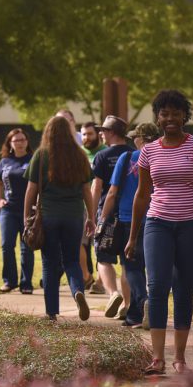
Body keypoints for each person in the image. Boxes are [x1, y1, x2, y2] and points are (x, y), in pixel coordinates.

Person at [126, 90, 193, 375]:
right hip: (158, 224)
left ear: (184, 116)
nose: (170, 119)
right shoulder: (148, 152)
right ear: (158, 117)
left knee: (183, 288)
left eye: (176, 113)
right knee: (157, 287)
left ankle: (179, 358)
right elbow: (142, 196)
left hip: (192, 224)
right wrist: (132, 236)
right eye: (164, 113)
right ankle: (157, 358)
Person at [24, 115, 95, 321]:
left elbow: (31, 190)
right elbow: (86, 191)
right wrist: (90, 217)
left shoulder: (41, 155)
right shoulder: (80, 156)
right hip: (74, 216)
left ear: (48, 132)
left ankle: (51, 312)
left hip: (48, 216)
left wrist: (26, 215)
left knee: (49, 263)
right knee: (72, 260)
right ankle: (77, 292)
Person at [100, 122, 160, 328]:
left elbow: (112, 192)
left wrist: (102, 219)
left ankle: (144, 301)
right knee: (151, 267)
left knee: (132, 266)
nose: (133, 140)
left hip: (128, 219)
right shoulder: (162, 157)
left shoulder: (128, 158)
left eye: (136, 137)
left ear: (141, 139)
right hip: (157, 219)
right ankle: (135, 314)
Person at [92, 115, 133, 319]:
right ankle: (127, 304)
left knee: (103, 257)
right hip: (130, 215)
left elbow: (98, 186)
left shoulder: (102, 156)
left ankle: (113, 293)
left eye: (103, 131)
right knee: (127, 262)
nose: (101, 134)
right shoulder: (135, 154)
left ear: (111, 133)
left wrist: (94, 217)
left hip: (108, 214)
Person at [0, 128, 35, 294]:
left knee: (27, 247)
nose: (20, 143)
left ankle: (26, 284)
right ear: (10, 143)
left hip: (28, 211)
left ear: (27, 142)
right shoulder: (4, 162)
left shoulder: (33, 160)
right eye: (16, 140)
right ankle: (9, 281)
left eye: (23, 139)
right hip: (8, 211)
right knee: (7, 245)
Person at [79, 121, 106, 292]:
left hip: (102, 204)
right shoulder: (78, 154)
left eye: (89, 134)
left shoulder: (104, 153)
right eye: (83, 134)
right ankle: (86, 276)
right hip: (80, 205)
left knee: (100, 244)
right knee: (78, 243)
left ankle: (101, 281)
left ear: (97, 134)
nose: (86, 137)